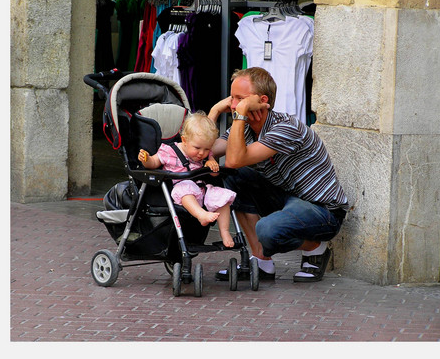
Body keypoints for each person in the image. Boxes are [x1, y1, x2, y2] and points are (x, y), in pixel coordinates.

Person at [208, 67, 349, 283]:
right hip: (286, 198)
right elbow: (206, 148)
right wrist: (216, 110)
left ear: (261, 100)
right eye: (232, 98)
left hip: (322, 212)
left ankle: (314, 248)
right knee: (232, 175)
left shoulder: (285, 127)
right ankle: (261, 261)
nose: (234, 105)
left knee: (268, 230)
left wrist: (240, 113)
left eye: (240, 99)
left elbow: (234, 158)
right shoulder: (245, 128)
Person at [137, 112, 237, 248]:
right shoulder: (169, 151)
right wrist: (147, 159)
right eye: (197, 148)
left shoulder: (207, 156)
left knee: (223, 197)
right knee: (186, 187)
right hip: (182, 191)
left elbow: (214, 176)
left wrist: (211, 166)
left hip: (202, 189)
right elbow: (154, 163)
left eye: (207, 149)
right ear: (184, 140)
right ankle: (201, 215)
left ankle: (224, 232)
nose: (202, 153)